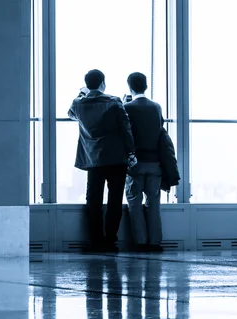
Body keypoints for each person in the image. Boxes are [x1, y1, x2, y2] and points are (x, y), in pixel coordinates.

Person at [68, 69, 137, 253]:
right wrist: (130, 152)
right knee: (115, 200)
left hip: (93, 160)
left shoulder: (79, 104)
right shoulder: (114, 102)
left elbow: (70, 113)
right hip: (116, 158)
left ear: (87, 84)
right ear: (103, 83)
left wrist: (81, 93)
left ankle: (96, 240)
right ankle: (110, 240)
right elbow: (126, 129)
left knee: (94, 200)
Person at [123, 72, 165, 252]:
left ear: (129, 87)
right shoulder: (156, 107)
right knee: (154, 202)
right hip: (155, 163)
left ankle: (140, 242)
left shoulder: (127, 107)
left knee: (134, 201)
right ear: (146, 87)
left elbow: (124, 132)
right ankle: (155, 242)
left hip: (136, 164)